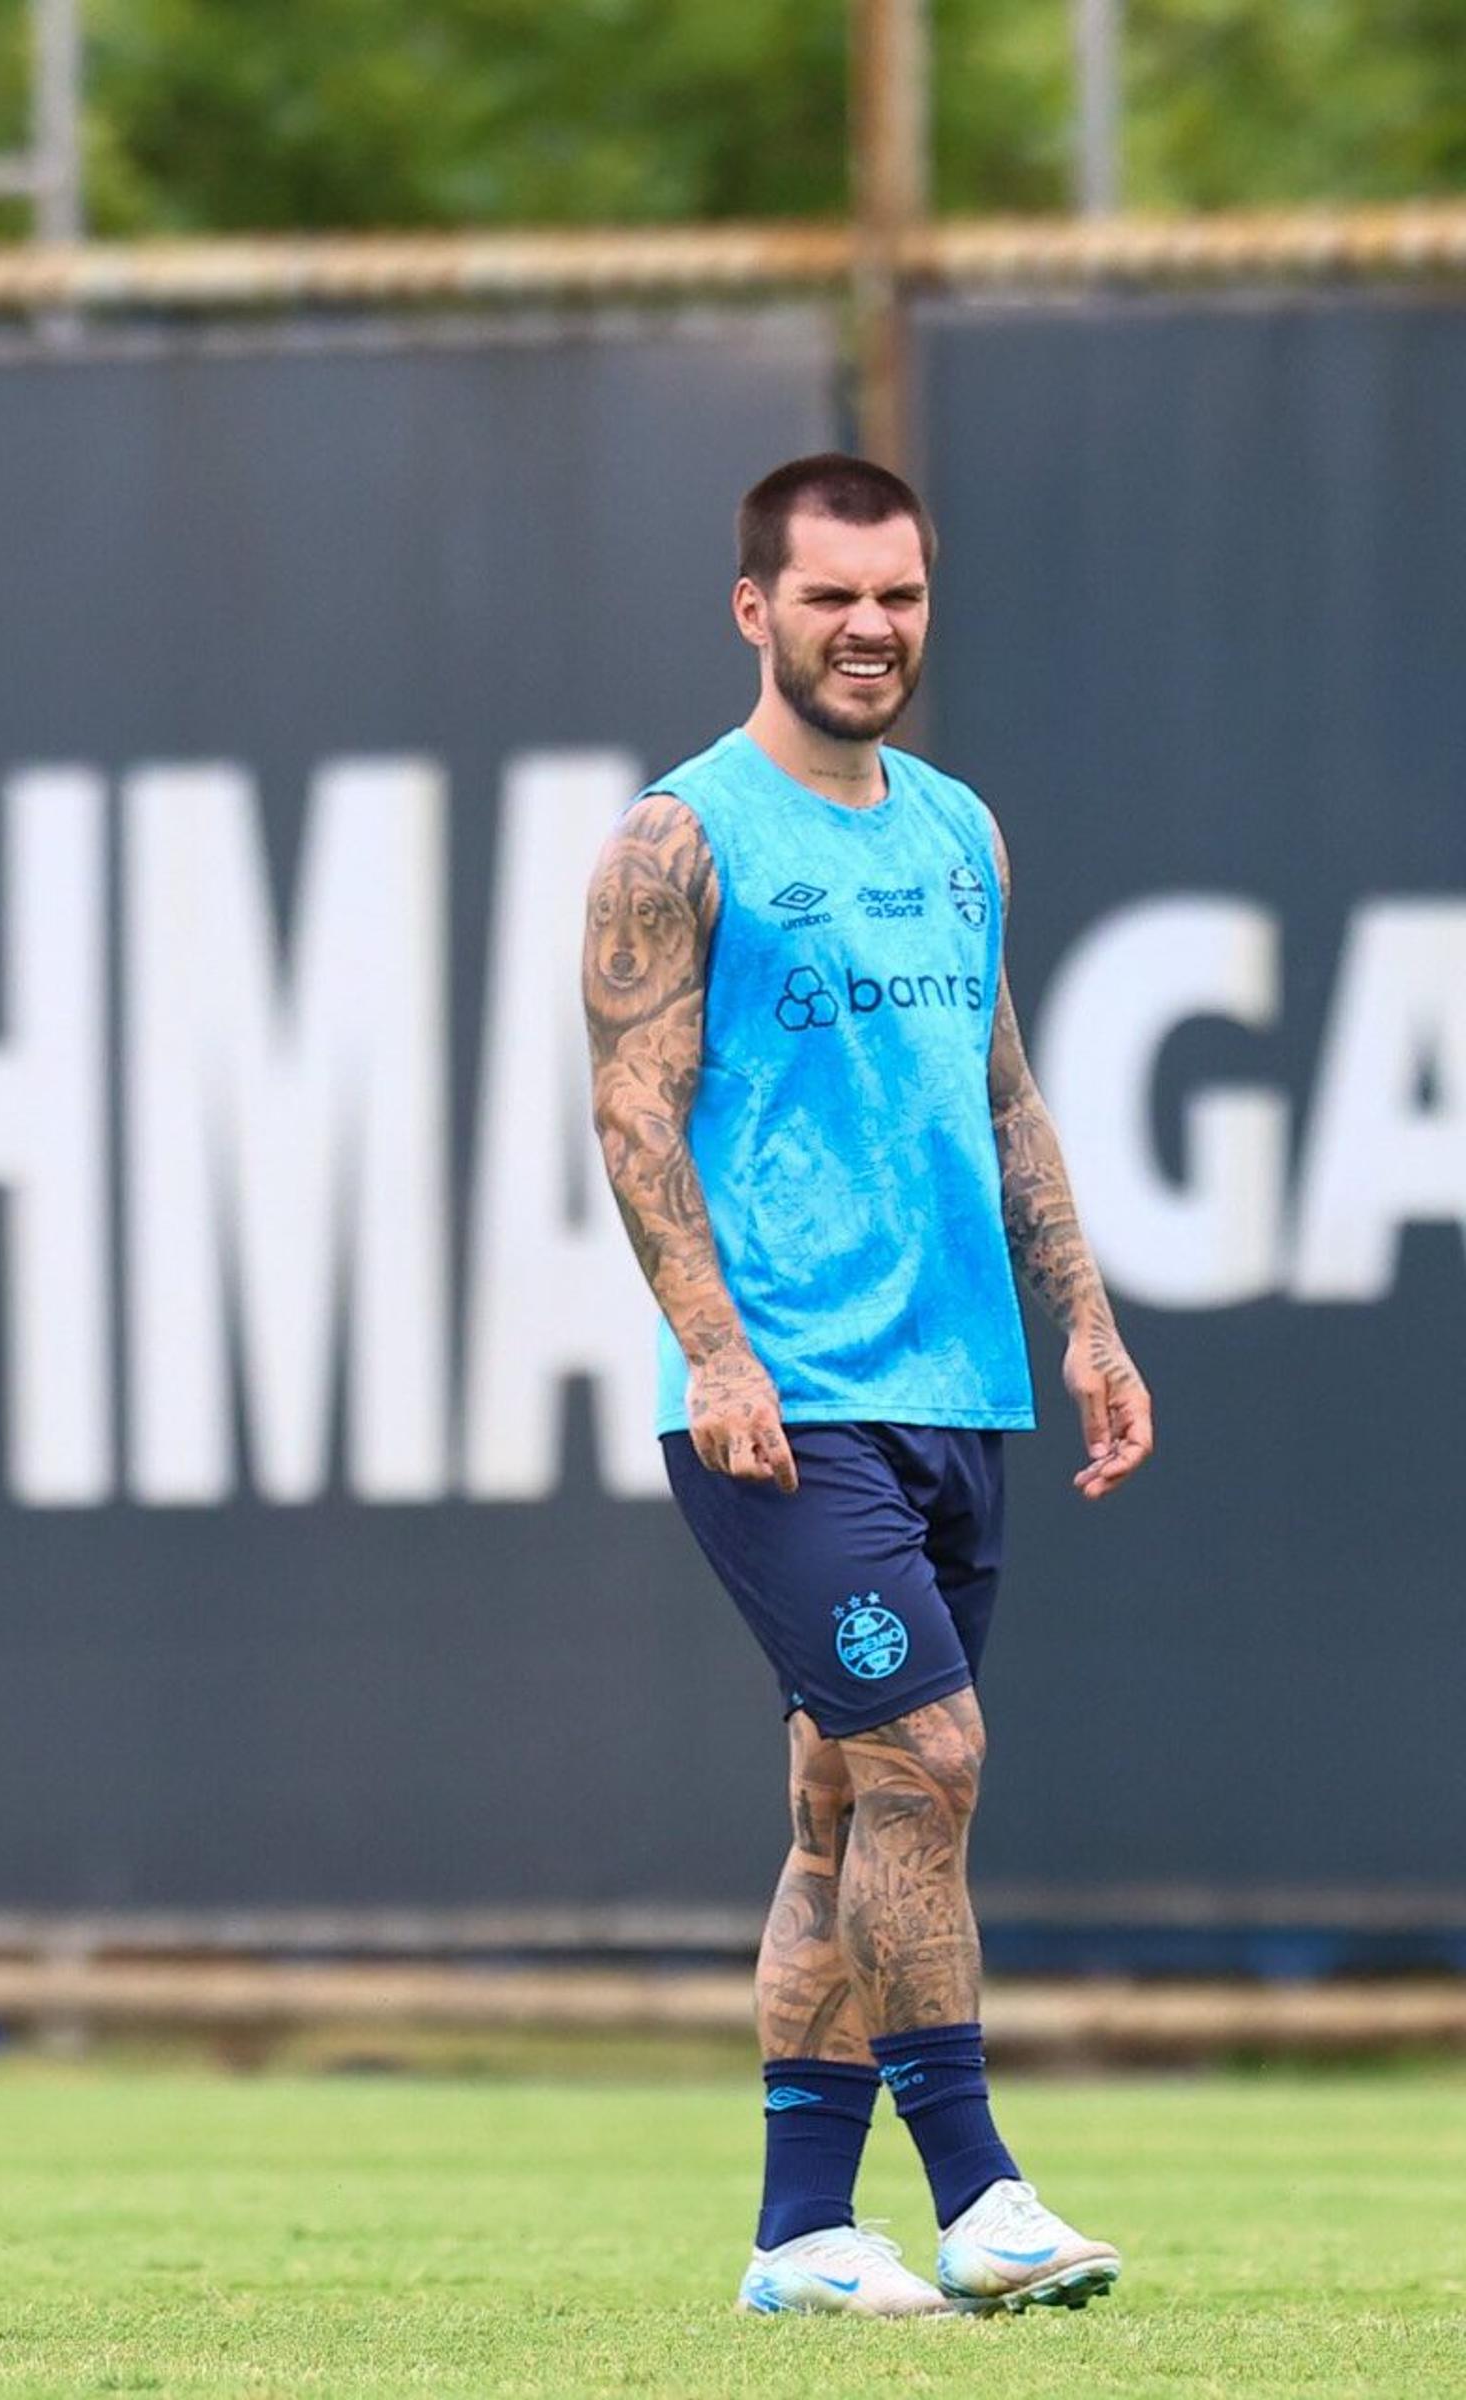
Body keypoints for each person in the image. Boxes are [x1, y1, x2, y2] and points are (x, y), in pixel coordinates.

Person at [584, 455, 1154, 2318]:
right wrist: (717, 1347)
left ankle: (801, 2237)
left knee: (845, 1809)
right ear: (755, 606)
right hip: (784, 1401)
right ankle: (980, 2189)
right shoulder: (682, 837)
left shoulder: (960, 832)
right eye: (830, 595)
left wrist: (1085, 1322)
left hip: (962, 1385)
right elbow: (633, 1110)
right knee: (937, 1755)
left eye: (897, 595)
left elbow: (1001, 1094)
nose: (869, 627)